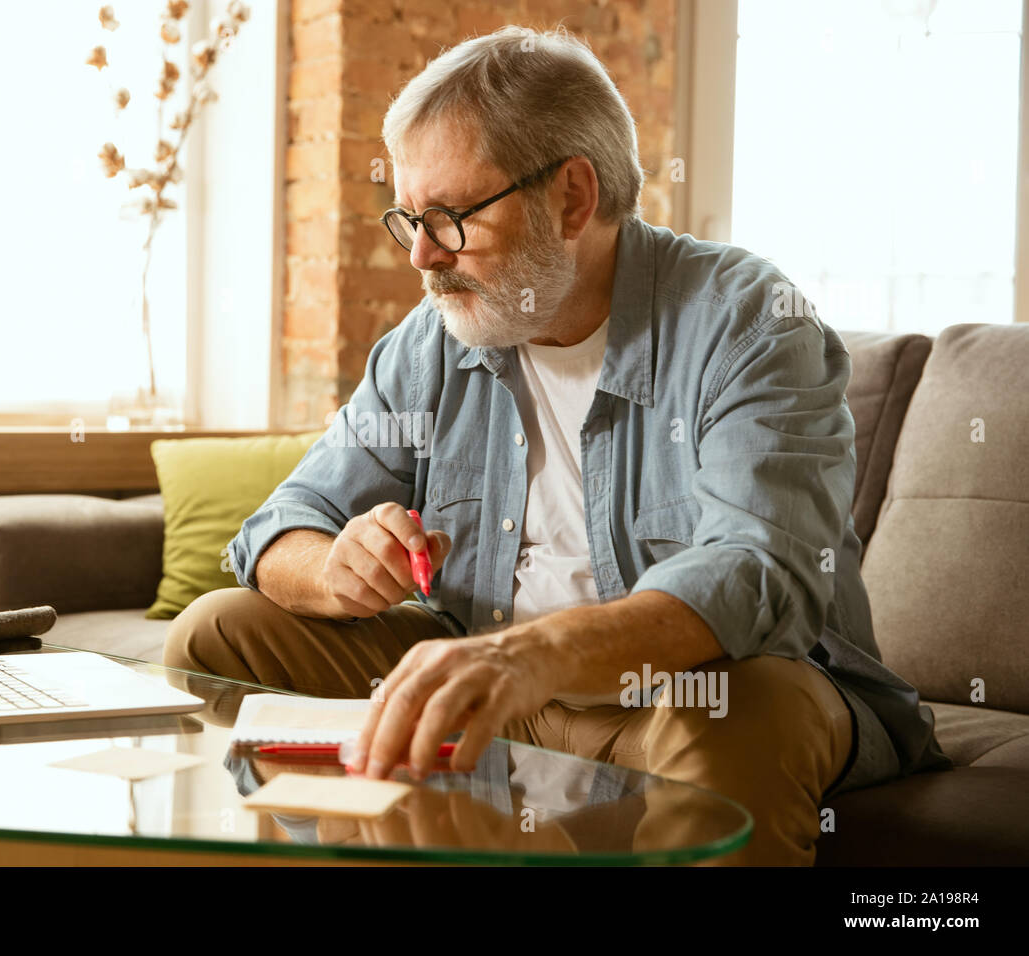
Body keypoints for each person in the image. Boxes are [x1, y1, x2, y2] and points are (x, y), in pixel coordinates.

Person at [165, 25, 950, 865]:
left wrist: (536, 653)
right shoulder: (434, 340)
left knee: (732, 711)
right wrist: (332, 567)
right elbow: (282, 523)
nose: (422, 256)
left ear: (573, 197)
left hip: (675, 701)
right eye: (409, 219)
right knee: (219, 633)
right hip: (492, 682)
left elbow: (761, 569)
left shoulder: (746, 321)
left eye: (451, 218)